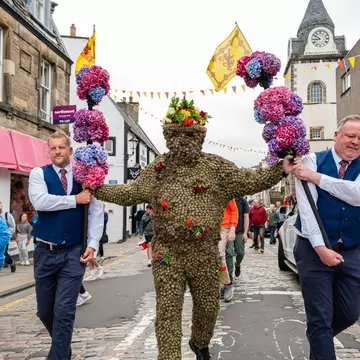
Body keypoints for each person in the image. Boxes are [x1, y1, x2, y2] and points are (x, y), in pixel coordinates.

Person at [94, 97, 294, 360]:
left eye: (190, 134)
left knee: (208, 308)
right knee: (167, 311)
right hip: (168, 254)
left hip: (204, 253)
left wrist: (279, 169)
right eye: (177, 135)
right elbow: (131, 191)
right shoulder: (158, 169)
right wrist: (97, 188)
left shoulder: (215, 167)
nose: (184, 140)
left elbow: (249, 179)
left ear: (200, 136)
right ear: (168, 137)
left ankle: (200, 342)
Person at [29, 131, 103, 360]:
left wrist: (92, 244)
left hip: (73, 252)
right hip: (44, 251)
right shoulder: (38, 173)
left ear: (70, 151)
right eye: (53, 148)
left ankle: (58, 356)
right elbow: (40, 201)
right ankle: (63, 348)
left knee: (64, 311)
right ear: (49, 151)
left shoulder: (85, 177)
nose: (58, 152)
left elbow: (96, 211)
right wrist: (74, 200)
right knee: (44, 311)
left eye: (62, 147)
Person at [293, 115, 360, 360]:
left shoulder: (315, 170)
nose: (355, 142)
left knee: (350, 313)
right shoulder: (311, 160)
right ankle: (320, 337)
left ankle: (318, 337)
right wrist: (321, 248)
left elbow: (357, 194)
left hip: (351, 249)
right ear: (336, 135)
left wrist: (317, 178)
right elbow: (308, 210)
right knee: (319, 316)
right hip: (312, 250)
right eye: (350, 136)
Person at [226, 197, 249, 279]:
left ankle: (237, 264)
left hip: (239, 231)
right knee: (228, 252)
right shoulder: (227, 198)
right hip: (228, 230)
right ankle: (229, 275)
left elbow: (246, 216)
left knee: (240, 252)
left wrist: (245, 233)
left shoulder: (242, 201)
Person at [219, 199, 238, 302]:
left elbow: (234, 209)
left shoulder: (225, 189)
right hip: (209, 228)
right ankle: (220, 284)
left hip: (224, 227)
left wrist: (232, 229)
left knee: (219, 256)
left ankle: (227, 283)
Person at [0, 202, 16, 272]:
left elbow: (12, 227)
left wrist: (9, 235)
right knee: (4, 254)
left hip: (4, 239)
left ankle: (11, 262)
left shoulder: (6, 215)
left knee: (4, 253)